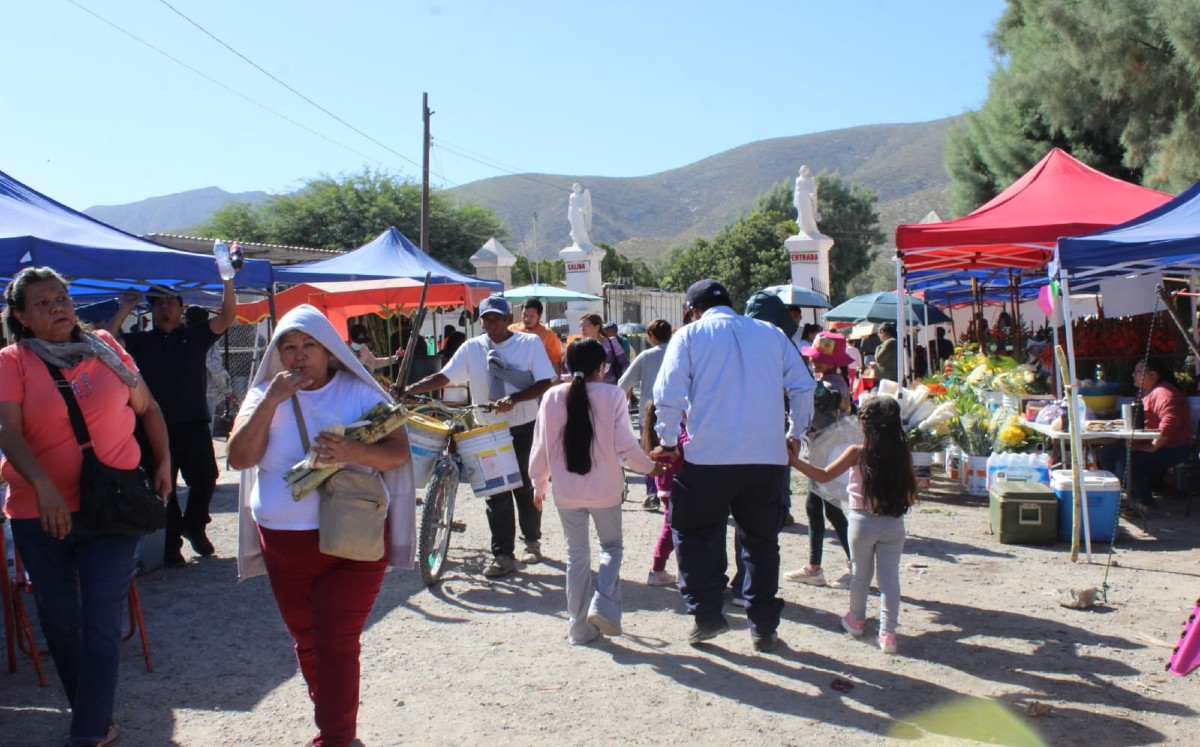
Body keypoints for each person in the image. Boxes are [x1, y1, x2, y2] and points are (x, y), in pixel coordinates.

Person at [228, 304, 414, 747]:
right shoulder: (263, 395)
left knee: (336, 640)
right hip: (283, 541)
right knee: (307, 639)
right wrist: (270, 402)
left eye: (309, 345)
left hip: (354, 538)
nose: (299, 355)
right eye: (289, 347)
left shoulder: (359, 392)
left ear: (329, 349)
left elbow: (398, 452)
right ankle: (333, 719)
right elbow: (239, 458)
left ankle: (335, 736)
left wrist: (353, 453)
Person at [0, 267, 171, 747]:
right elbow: (7, 430)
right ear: (21, 317)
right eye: (42, 303)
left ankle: (88, 731)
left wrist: (164, 460)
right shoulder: (11, 361)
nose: (57, 307)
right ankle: (93, 718)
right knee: (60, 623)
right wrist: (43, 485)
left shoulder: (105, 347)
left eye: (61, 298)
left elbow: (147, 407)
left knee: (100, 619)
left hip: (114, 509)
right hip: (39, 513)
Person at [652, 279, 815, 652]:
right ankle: (763, 627)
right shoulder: (771, 333)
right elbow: (804, 386)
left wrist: (668, 441)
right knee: (761, 543)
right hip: (766, 458)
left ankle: (706, 613)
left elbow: (667, 394)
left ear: (692, 311)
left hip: (708, 457)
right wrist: (795, 433)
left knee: (692, 533)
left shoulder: (689, 336)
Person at [403, 296, 556, 576]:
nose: (492, 324)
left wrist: (515, 399)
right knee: (495, 492)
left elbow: (546, 381)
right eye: (487, 319)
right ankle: (503, 555)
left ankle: (532, 542)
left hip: (523, 426)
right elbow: (445, 377)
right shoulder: (472, 347)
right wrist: (411, 389)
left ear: (509, 319)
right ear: (481, 322)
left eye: (498, 318)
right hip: (487, 430)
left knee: (524, 488)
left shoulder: (529, 343)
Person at [530, 338, 664, 644]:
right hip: (606, 490)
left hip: (566, 491)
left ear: (568, 365)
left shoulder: (552, 396)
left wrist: (539, 483)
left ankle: (578, 629)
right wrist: (649, 468)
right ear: (602, 368)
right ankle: (602, 602)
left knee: (576, 558)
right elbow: (624, 444)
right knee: (611, 548)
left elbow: (540, 445)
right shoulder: (612, 394)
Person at [105, 274, 238, 566]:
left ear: (180, 307)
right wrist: (125, 308)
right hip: (155, 427)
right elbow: (106, 342)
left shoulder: (196, 335)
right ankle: (171, 543)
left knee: (206, 479)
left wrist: (227, 280)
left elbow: (227, 317)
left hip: (193, 423)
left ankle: (195, 526)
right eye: (159, 304)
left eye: (170, 302)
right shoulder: (141, 341)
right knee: (164, 488)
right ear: (152, 310)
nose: (165, 307)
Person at [790, 396, 917, 655]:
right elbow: (911, 492)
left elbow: (824, 475)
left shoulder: (857, 453)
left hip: (861, 522)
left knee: (860, 575)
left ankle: (856, 621)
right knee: (889, 580)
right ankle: (888, 634)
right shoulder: (903, 456)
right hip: (894, 523)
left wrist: (794, 461)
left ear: (865, 425)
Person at [785, 332, 854, 588]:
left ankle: (854, 565)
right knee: (815, 508)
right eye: (813, 357)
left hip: (826, 454)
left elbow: (827, 399)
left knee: (831, 511)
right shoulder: (831, 380)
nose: (814, 361)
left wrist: (797, 383)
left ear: (833, 362)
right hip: (821, 452)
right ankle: (815, 567)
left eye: (819, 358)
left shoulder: (831, 384)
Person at [1097, 358, 1193, 518]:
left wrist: (1154, 446)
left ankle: (1146, 504)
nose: (1133, 374)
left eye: (1138, 371)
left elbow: (1171, 420)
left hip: (1172, 448)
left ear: (1153, 375)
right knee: (1107, 454)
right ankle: (1130, 496)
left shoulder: (1164, 393)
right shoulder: (1144, 394)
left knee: (1127, 461)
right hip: (1146, 444)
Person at [617, 319, 672, 510]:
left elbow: (623, 383)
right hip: (677, 410)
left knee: (650, 452)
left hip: (649, 412)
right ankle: (671, 489)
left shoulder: (646, 356)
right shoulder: (680, 352)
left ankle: (652, 493)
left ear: (651, 336)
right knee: (674, 450)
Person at [185, 306, 234, 433]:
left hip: (184, 391)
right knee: (204, 431)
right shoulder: (206, 338)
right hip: (205, 391)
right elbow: (214, 367)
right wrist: (227, 391)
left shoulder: (180, 337)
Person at [510, 298, 564, 373]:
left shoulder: (548, 334)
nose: (527, 319)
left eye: (531, 316)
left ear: (539, 316)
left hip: (539, 375)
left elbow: (555, 361)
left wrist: (556, 379)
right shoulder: (511, 330)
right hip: (514, 373)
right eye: (524, 315)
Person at [580, 313, 628, 386]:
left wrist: (626, 386)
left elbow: (625, 365)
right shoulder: (582, 346)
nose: (582, 329)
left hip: (611, 387)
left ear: (597, 327)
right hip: (589, 388)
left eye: (585, 325)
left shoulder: (611, 342)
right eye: (581, 326)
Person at [793, 165, 820, 236]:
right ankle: (803, 229)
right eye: (803, 170)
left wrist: (812, 194)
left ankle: (812, 229)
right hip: (799, 198)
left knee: (808, 213)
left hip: (806, 198)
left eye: (806, 170)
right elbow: (796, 190)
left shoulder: (810, 179)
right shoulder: (797, 179)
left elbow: (812, 189)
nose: (804, 172)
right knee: (801, 214)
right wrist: (795, 199)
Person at [568, 183, 593, 247]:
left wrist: (582, 209)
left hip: (579, 213)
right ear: (572, 188)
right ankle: (576, 241)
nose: (576, 189)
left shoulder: (581, 196)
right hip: (572, 212)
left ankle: (583, 240)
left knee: (580, 226)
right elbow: (570, 205)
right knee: (574, 227)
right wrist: (569, 213)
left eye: (577, 187)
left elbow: (584, 205)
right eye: (575, 187)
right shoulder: (571, 196)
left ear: (580, 189)